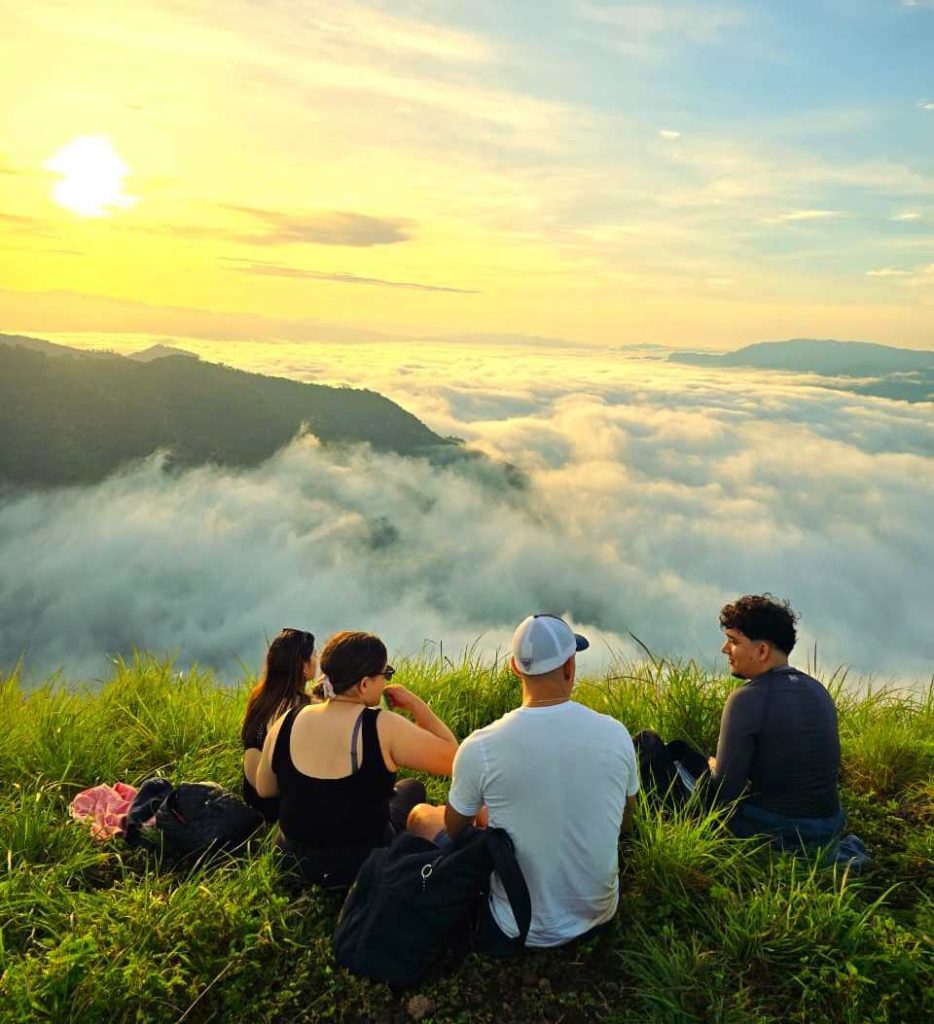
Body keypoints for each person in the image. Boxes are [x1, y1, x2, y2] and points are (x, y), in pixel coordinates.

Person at [427, 614, 640, 950]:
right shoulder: (615, 733)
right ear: (570, 667)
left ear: (515, 668)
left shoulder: (481, 747)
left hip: (517, 927)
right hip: (599, 915)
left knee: (424, 817)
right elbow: (626, 822)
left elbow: (456, 831)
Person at [254, 630, 459, 887]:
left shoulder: (289, 719)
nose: (386, 681)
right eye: (385, 674)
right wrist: (417, 705)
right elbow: (455, 759)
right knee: (411, 789)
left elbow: (264, 788)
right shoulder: (382, 726)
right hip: (361, 863)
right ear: (364, 684)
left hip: (294, 861)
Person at [710, 594, 843, 843]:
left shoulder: (745, 700)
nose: (725, 649)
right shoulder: (818, 690)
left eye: (733, 641)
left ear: (761, 650)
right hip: (831, 824)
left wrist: (713, 770)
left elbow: (723, 798)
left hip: (780, 831)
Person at [241, 627, 316, 822]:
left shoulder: (260, 697)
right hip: (283, 810)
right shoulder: (305, 707)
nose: (317, 660)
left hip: (253, 802)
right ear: (304, 666)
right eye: (314, 655)